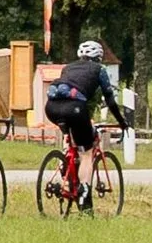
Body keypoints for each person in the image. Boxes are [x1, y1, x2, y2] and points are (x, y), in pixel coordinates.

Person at [44, 37, 128, 197]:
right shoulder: (99, 69)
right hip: (75, 109)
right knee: (86, 152)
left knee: (70, 139)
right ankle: (84, 196)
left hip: (52, 108)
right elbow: (109, 99)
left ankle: (66, 177)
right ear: (99, 57)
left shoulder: (68, 68)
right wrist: (122, 122)